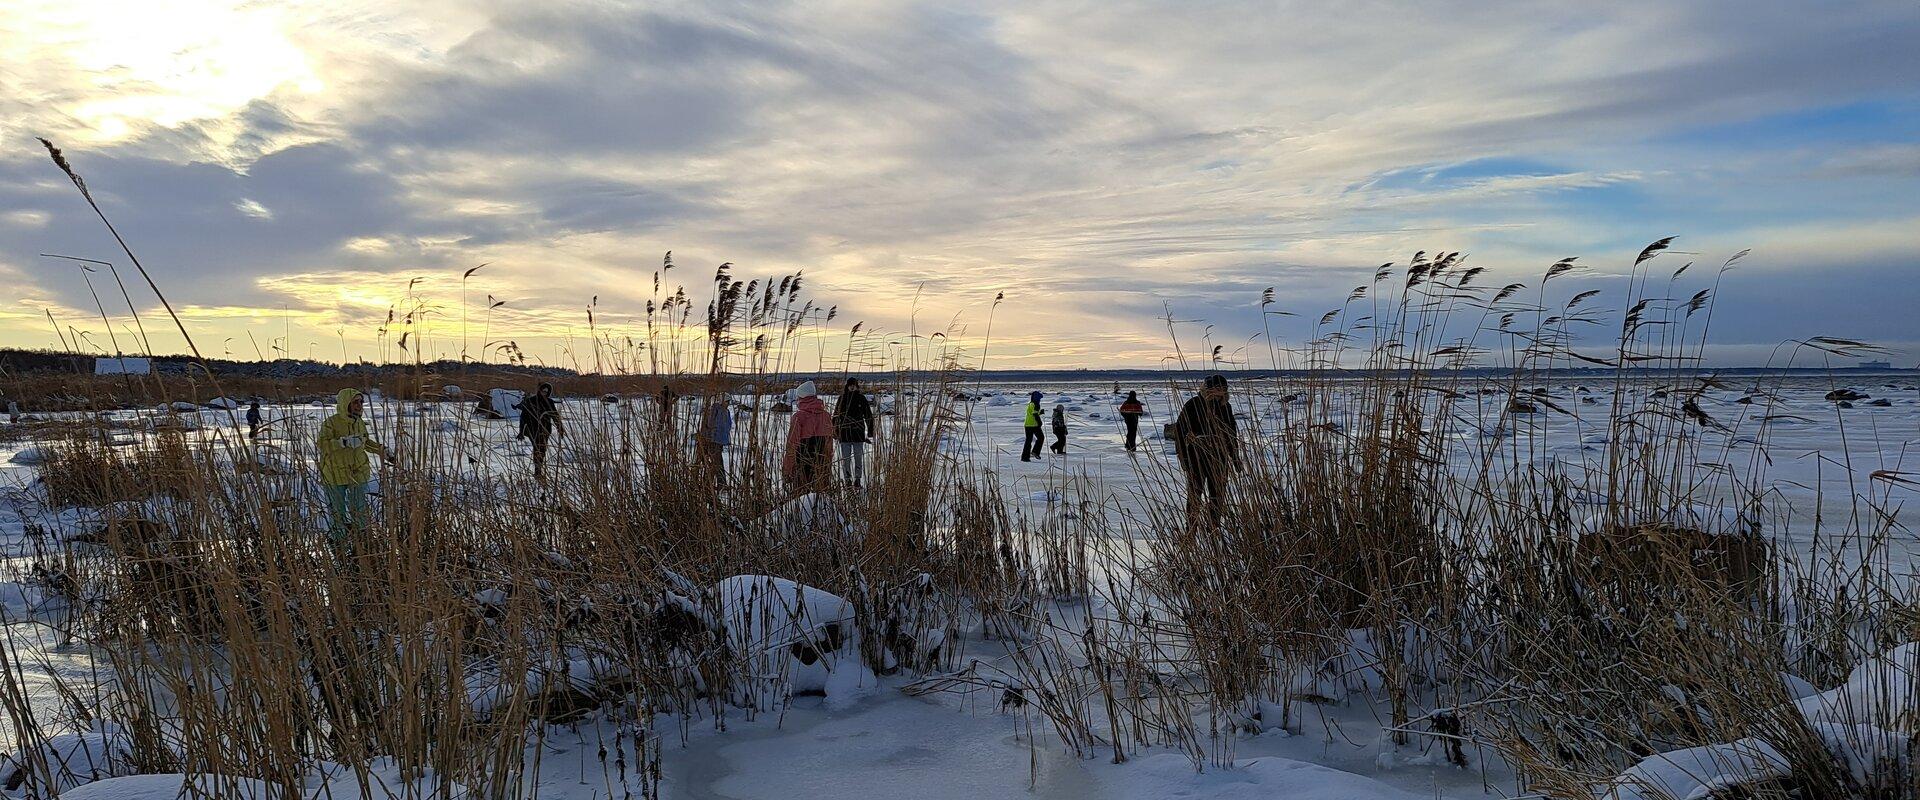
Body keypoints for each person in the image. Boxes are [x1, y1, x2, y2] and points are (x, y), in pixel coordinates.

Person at [318, 388, 389, 555]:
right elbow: (322, 444)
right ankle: (339, 543)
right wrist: (342, 442)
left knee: (359, 507)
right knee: (337, 510)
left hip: (358, 472)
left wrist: (382, 450)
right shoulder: (331, 423)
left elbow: (365, 441)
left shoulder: (359, 422)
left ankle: (363, 540)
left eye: (361, 402)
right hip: (335, 474)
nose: (359, 405)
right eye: (355, 402)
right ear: (345, 404)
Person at [1173, 375, 1239, 525]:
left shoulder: (1225, 407)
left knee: (1218, 494)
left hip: (1219, 457)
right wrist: (1183, 457)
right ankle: (1191, 528)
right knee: (1195, 494)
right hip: (1197, 456)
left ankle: (1213, 526)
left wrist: (1235, 457)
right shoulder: (1194, 404)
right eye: (1217, 388)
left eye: (1224, 388)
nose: (1221, 391)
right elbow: (1179, 430)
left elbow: (1231, 433)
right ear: (1208, 388)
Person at [784, 381, 834, 492]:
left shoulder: (798, 417)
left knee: (801, 497)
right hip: (822, 464)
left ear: (800, 397)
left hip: (802, 463)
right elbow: (829, 444)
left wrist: (788, 469)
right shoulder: (826, 416)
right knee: (822, 497)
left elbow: (792, 445)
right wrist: (828, 463)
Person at [516, 382, 565, 480]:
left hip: (545, 429)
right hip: (532, 429)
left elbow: (554, 415)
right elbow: (523, 417)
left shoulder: (549, 402)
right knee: (537, 448)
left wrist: (560, 428)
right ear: (539, 390)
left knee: (542, 449)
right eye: (543, 391)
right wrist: (521, 431)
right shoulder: (530, 401)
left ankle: (539, 469)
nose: (544, 393)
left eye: (546, 391)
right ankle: (537, 471)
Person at [834, 377, 876, 487]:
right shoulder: (842, 398)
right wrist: (835, 431)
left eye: (854, 385)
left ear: (856, 386)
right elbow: (836, 415)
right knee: (846, 459)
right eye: (850, 385)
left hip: (858, 434)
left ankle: (857, 479)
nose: (852, 386)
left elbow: (868, 415)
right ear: (847, 386)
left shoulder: (861, 398)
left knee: (858, 458)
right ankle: (847, 480)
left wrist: (870, 431)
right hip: (844, 434)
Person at [696, 392, 733, 482]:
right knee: (716, 462)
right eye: (727, 401)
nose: (728, 404)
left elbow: (727, 426)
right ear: (722, 401)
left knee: (716, 462)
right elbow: (710, 424)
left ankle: (710, 482)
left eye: (729, 402)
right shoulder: (715, 410)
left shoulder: (726, 411)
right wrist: (710, 437)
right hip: (713, 440)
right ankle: (719, 483)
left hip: (720, 441)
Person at [1019, 391, 1046, 462]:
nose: (1040, 400)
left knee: (1029, 441)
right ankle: (1034, 452)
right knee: (1040, 438)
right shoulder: (1035, 404)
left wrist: (1040, 412)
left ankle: (1025, 457)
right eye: (1039, 398)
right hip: (1033, 425)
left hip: (1028, 425)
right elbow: (1035, 414)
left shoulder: (1031, 403)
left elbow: (1033, 413)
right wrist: (1039, 422)